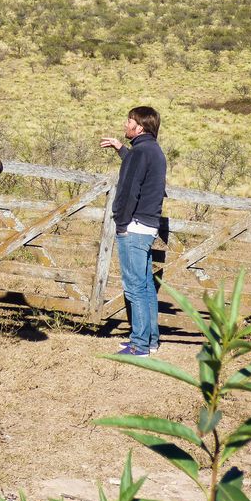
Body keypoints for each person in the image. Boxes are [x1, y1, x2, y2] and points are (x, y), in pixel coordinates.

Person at [100, 106, 167, 356]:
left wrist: (121, 221)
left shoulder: (141, 152)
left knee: (135, 287)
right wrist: (121, 149)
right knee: (147, 285)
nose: (125, 124)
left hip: (134, 227)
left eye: (129, 121)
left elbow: (130, 190)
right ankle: (150, 340)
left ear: (139, 127)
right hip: (148, 226)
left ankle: (139, 344)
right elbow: (139, 167)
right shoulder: (152, 151)